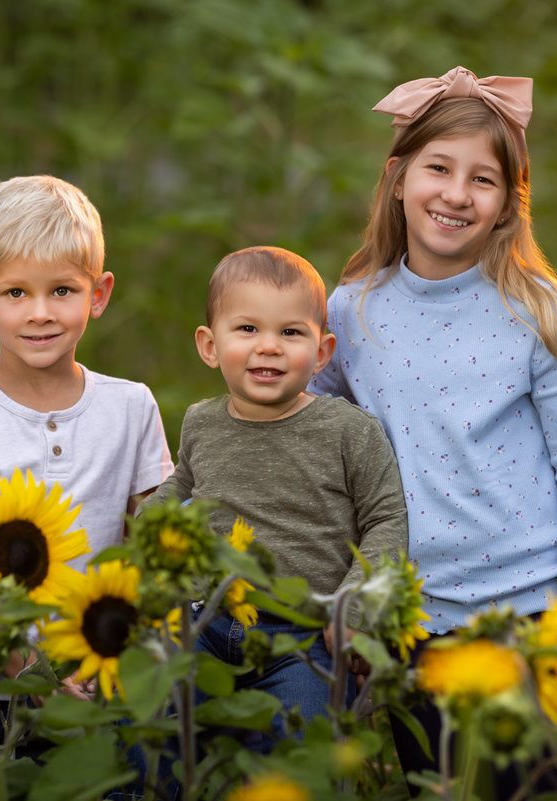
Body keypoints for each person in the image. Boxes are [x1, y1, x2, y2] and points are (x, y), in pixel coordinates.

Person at [308, 67, 557, 791]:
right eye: (438, 168)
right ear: (397, 177)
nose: (455, 193)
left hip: (529, 626)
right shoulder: (350, 312)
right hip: (415, 630)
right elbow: (309, 435)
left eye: (483, 179)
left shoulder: (539, 314)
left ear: (509, 202)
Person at [0, 175, 173, 692]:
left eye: (62, 290)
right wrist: (30, 674)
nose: (40, 313)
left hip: (98, 672)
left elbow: (151, 559)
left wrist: (111, 660)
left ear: (99, 294)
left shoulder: (131, 408)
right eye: (16, 292)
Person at [146, 245, 408, 748]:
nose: (269, 347)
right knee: (150, 715)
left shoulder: (348, 430)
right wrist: (148, 530)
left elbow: (386, 519)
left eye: (290, 332)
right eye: (247, 329)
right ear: (209, 346)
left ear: (322, 352)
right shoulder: (202, 422)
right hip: (204, 619)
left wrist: (353, 607)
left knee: (299, 744)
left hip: (305, 635)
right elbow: (184, 485)